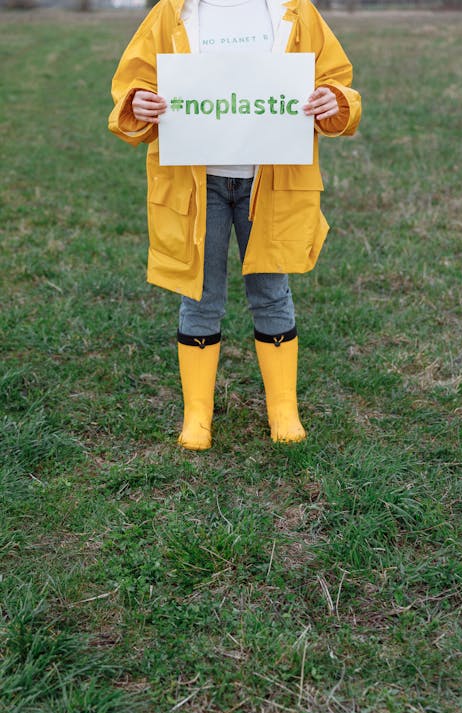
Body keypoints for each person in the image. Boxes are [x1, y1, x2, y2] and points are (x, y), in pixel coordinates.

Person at [109, 0, 361, 451]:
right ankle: (197, 416)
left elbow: (335, 80)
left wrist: (334, 99)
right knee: (200, 292)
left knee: (271, 289)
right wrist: (138, 103)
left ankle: (283, 409)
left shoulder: (295, 10)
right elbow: (134, 83)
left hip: (273, 180)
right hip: (195, 181)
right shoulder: (172, 11)